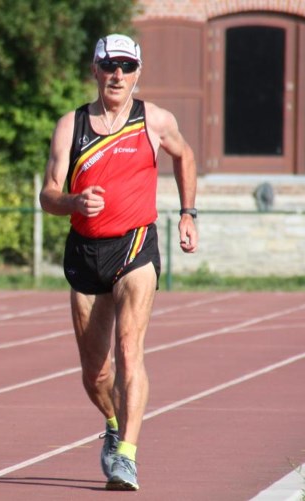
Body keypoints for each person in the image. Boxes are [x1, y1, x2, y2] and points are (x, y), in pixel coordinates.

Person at [39, 34, 198, 491]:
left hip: (135, 246)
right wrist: (73, 201)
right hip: (86, 253)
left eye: (127, 67)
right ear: (95, 69)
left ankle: (126, 455)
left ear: (137, 73)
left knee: (130, 350)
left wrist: (188, 213)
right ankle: (112, 423)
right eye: (110, 66)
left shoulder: (155, 120)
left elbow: (185, 156)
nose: (118, 75)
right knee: (96, 372)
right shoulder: (71, 126)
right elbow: (48, 194)